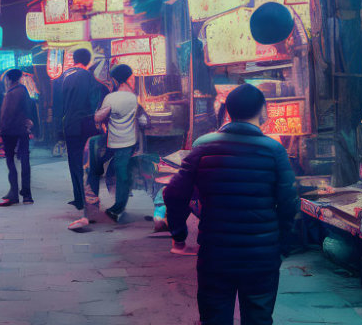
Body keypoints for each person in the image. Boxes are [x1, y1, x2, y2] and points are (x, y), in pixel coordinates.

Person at [163, 83, 298, 325]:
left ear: (228, 111)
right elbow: (289, 204)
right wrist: (283, 245)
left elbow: (173, 193)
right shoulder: (274, 150)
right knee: (258, 317)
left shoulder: (203, 145)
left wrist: (179, 233)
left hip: (216, 252)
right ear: (263, 111)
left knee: (215, 317)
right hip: (261, 256)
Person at [70, 63, 143, 229]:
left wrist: (98, 116)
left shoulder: (111, 97)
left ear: (115, 80)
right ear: (129, 78)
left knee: (95, 166)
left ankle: (93, 199)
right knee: (122, 175)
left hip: (112, 141)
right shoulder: (134, 98)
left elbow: (98, 118)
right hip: (129, 143)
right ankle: (117, 208)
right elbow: (143, 121)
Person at [59, 48, 107, 211]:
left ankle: (79, 199)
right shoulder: (90, 78)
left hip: (70, 126)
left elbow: (58, 105)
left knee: (74, 162)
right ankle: (91, 200)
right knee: (89, 163)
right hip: (87, 126)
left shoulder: (64, 77)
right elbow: (100, 97)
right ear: (88, 61)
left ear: (73, 59)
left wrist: (59, 129)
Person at [0, 69, 34, 206]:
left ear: (9, 80)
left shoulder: (12, 93)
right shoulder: (24, 91)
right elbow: (29, 109)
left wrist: (1, 131)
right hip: (22, 130)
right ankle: (27, 195)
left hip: (10, 131)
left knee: (10, 161)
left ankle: (14, 193)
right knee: (25, 161)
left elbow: (7, 114)